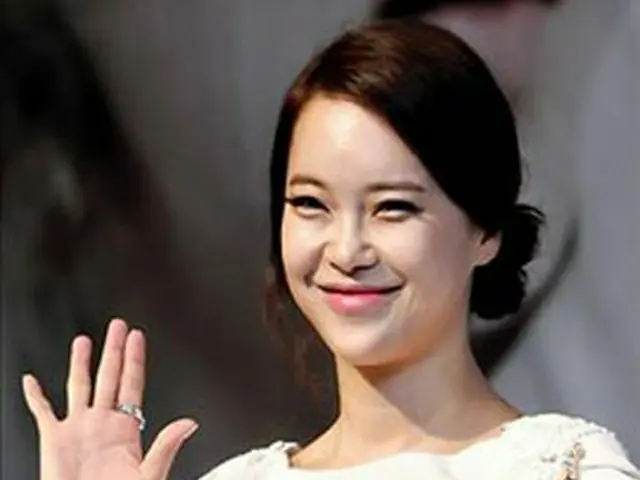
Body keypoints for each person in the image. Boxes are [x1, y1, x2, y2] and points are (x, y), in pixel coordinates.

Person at [21, 20, 639, 480]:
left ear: (485, 231)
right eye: (311, 204)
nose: (347, 250)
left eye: (392, 208)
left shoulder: (568, 470)